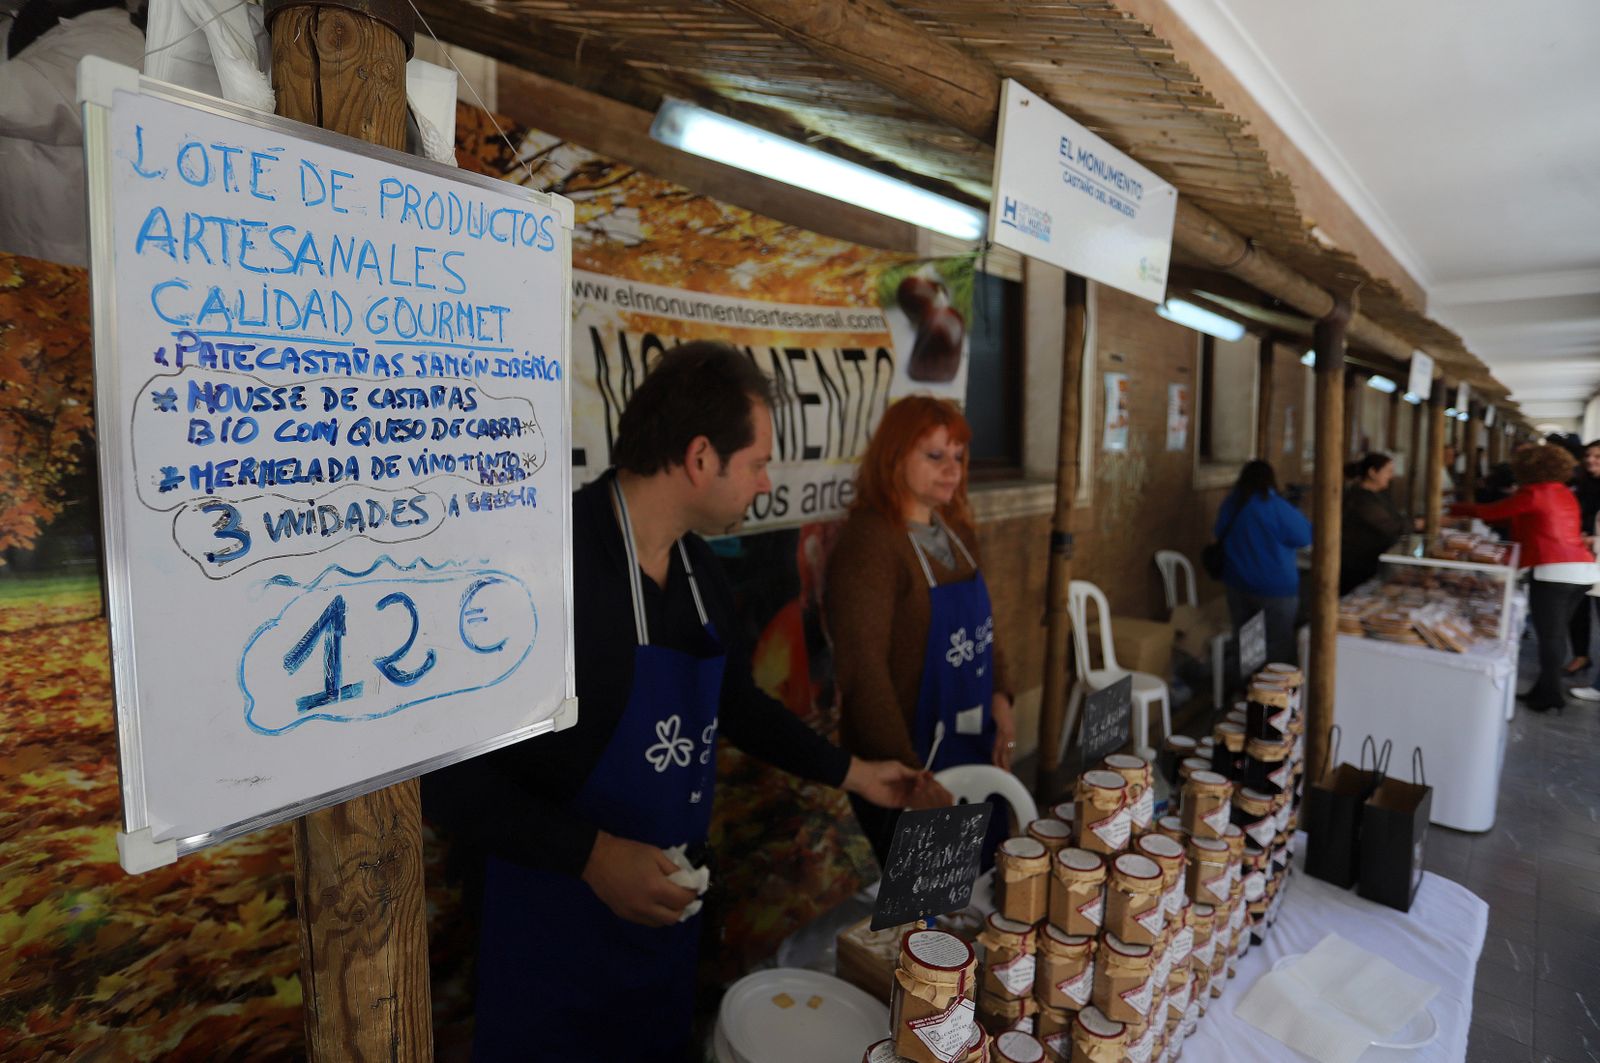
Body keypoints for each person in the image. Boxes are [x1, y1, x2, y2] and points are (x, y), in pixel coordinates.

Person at [422, 342, 923, 1061]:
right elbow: (449, 776)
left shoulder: (696, 568)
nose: (765, 483)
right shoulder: (543, 567)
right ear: (699, 458)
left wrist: (857, 774)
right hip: (549, 936)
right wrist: (591, 856)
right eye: (757, 463)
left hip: (662, 932)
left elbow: (737, 703)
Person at [824, 396, 1014, 863]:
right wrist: (912, 777)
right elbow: (863, 672)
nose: (952, 469)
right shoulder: (870, 543)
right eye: (934, 455)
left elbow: (984, 628)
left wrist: (1001, 697)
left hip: (971, 742)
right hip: (908, 761)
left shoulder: (956, 531)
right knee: (931, 898)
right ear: (893, 458)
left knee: (982, 881)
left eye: (958, 456)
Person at [1451, 444, 1600, 713]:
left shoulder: (1534, 492)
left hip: (1555, 570)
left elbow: (1492, 512)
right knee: (1556, 634)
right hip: (1581, 569)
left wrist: (1454, 509)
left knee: (1550, 636)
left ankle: (1551, 696)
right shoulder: (1564, 491)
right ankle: (1543, 690)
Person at [1213, 460, 1311, 666]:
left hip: (1238, 585)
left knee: (1248, 646)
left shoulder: (1232, 504)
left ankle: (1247, 683)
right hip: (1275, 590)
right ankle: (1270, 685)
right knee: (1277, 645)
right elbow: (1305, 536)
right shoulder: (1277, 507)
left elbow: (1219, 531)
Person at [1340, 452, 1407, 594]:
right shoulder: (1360, 498)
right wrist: (1416, 524)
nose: (1391, 476)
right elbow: (1389, 526)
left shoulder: (1380, 494)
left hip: (1373, 560)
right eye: (1388, 471)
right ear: (1372, 472)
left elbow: (1396, 519)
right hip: (1357, 563)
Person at [1565, 442, 1600, 697]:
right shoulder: (1581, 484)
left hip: (1594, 554)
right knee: (1578, 610)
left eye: (1598, 456)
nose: (1591, 460)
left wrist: (1591, 540)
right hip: (1581, 557)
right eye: (1588, 455)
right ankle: (1581, 655)